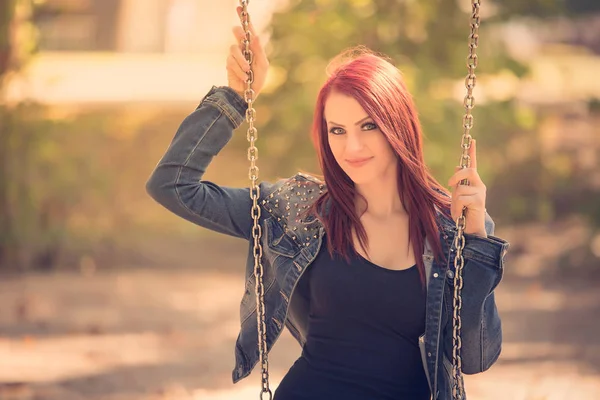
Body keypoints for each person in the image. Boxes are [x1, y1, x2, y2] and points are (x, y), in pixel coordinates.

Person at [146, 7, 510, 400]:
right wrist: (236, 99)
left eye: (368, 126)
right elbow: (173, 184)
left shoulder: (453, 223)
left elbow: (474, 357)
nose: (351, 147)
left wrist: (475, 239)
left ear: (397, 125)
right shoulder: (300, 209)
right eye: (337, 130)